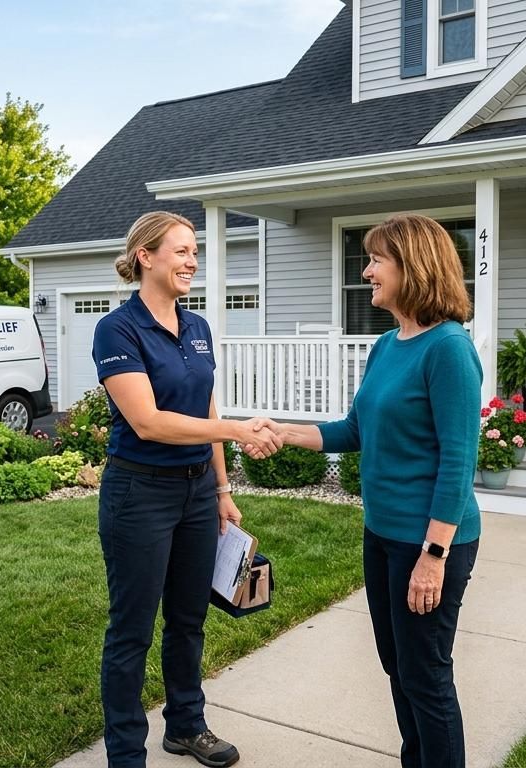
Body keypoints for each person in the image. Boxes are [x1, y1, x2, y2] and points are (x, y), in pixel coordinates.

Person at [272, 213, 482, 768]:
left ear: (412, 267)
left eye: (376, 260)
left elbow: (459, 462)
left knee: (427, 676)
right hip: (382, 535)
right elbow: (356, 430)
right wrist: (281, 431)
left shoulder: (449, 349)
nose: (366, 271)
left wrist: (433, 557)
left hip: (430, 543)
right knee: (398, 667)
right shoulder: (387, 345)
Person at [91, 210, 282, 768]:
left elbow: (205, 405)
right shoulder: (117, 329)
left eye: (194, 250)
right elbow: (148, 421)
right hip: (140, 493)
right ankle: (126, 754)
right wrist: (236, 432)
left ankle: (186, 726)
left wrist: (222, 487)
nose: (191, 261)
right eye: (180, 250)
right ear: (145, 256)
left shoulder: (197, 328)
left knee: (188, 618)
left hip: (199, 491)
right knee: (131, 630)